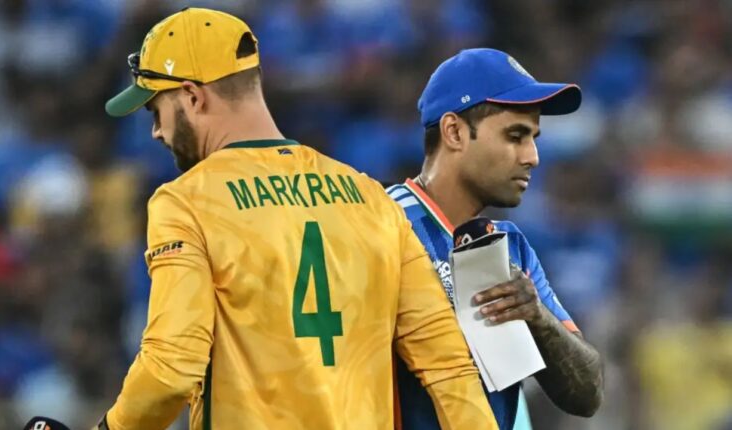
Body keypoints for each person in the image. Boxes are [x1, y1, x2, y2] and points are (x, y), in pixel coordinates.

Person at [95, 8, 498, 430]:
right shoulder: (370, 197)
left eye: (155, 110)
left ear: (193, 97)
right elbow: (449, 367)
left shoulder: (187, 202)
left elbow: (171, 370)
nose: (156, 131)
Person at [387, 48, 604, 430]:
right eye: (515, 136)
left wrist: (537, 317)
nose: (533, 157)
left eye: (533, 138)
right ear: (454, 132)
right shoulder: (382, 223)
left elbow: (588, 395)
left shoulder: (509, 245)